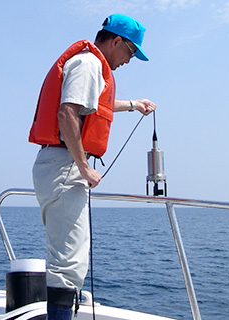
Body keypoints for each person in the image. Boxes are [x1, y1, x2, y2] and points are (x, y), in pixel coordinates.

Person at [29, 14, 156, 320]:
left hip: (59, 165)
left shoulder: (90, 66)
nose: (129, 60)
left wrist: (134, 104)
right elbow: (67, 113)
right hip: (65, 167)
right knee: (68, 264)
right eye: (130, 52)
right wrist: (84, 167)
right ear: (116, 42)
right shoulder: (88, 65)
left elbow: (96, 104)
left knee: (69, 256)